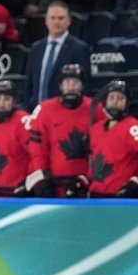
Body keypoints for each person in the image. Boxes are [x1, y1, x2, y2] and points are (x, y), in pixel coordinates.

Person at [25, 64, 99, 198]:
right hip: (53, 184)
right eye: (67, 82)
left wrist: (87, 179)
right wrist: (40, 177)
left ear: (82, 86)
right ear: (60, 86)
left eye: (75, 82)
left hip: (85, 185)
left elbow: (102, 150)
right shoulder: (44, 110)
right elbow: (37, 149)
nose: (71, 87)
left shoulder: (96, 109)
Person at [87, 80, 138, 198]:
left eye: (120, 98)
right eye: (111, 98)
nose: (115, 101)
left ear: (127, 103)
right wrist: (85, 180)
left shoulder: (134, 128)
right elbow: (97, 162)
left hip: (123, 198)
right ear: (105, 102)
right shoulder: (96, 129)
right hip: (96, 196)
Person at [23, 1, 92, 110]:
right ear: (46, 21)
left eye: (61, 18)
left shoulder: (79, 48)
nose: (56, 22)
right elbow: (29, 85)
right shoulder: (36, 48)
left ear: (68, 21)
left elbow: (85, 86)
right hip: (36, 113)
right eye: (53, 18)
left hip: (65, 113)